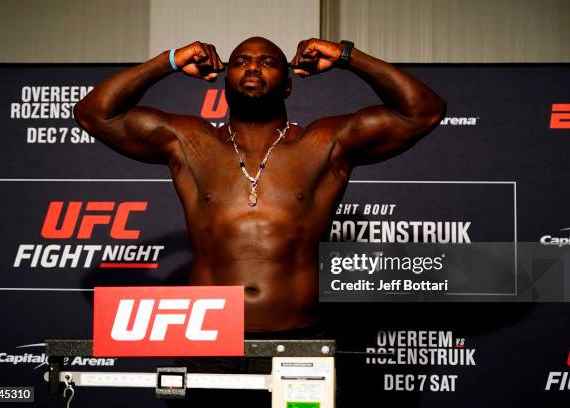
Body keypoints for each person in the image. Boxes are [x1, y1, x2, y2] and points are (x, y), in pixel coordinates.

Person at [74, 37, 446, 334]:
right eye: (240, 62)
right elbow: (94, 113)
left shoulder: (324, 143)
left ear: (288, 86)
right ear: (224, 82)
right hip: (209, 339)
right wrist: (168, 60)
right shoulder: (188, 142)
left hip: (299, 338)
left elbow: (423, 111)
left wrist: (348, 55)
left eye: (268, 62)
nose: (253, 67)